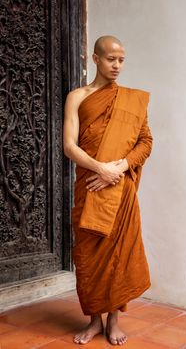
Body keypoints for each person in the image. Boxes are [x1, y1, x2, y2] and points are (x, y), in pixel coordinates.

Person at [63, 35, 153, 346]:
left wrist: (119, 167)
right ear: (95, 59)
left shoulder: (132, 100)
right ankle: (94, 321)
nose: (117, 65)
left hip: (121, 190)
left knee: (119, 255)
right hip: (90, 186)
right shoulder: (77, 96)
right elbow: (69, 146)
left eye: (121, 60)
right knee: (88, 256)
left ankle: (113, 320)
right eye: (111, 59)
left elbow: (146, 142)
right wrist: (100, 168)